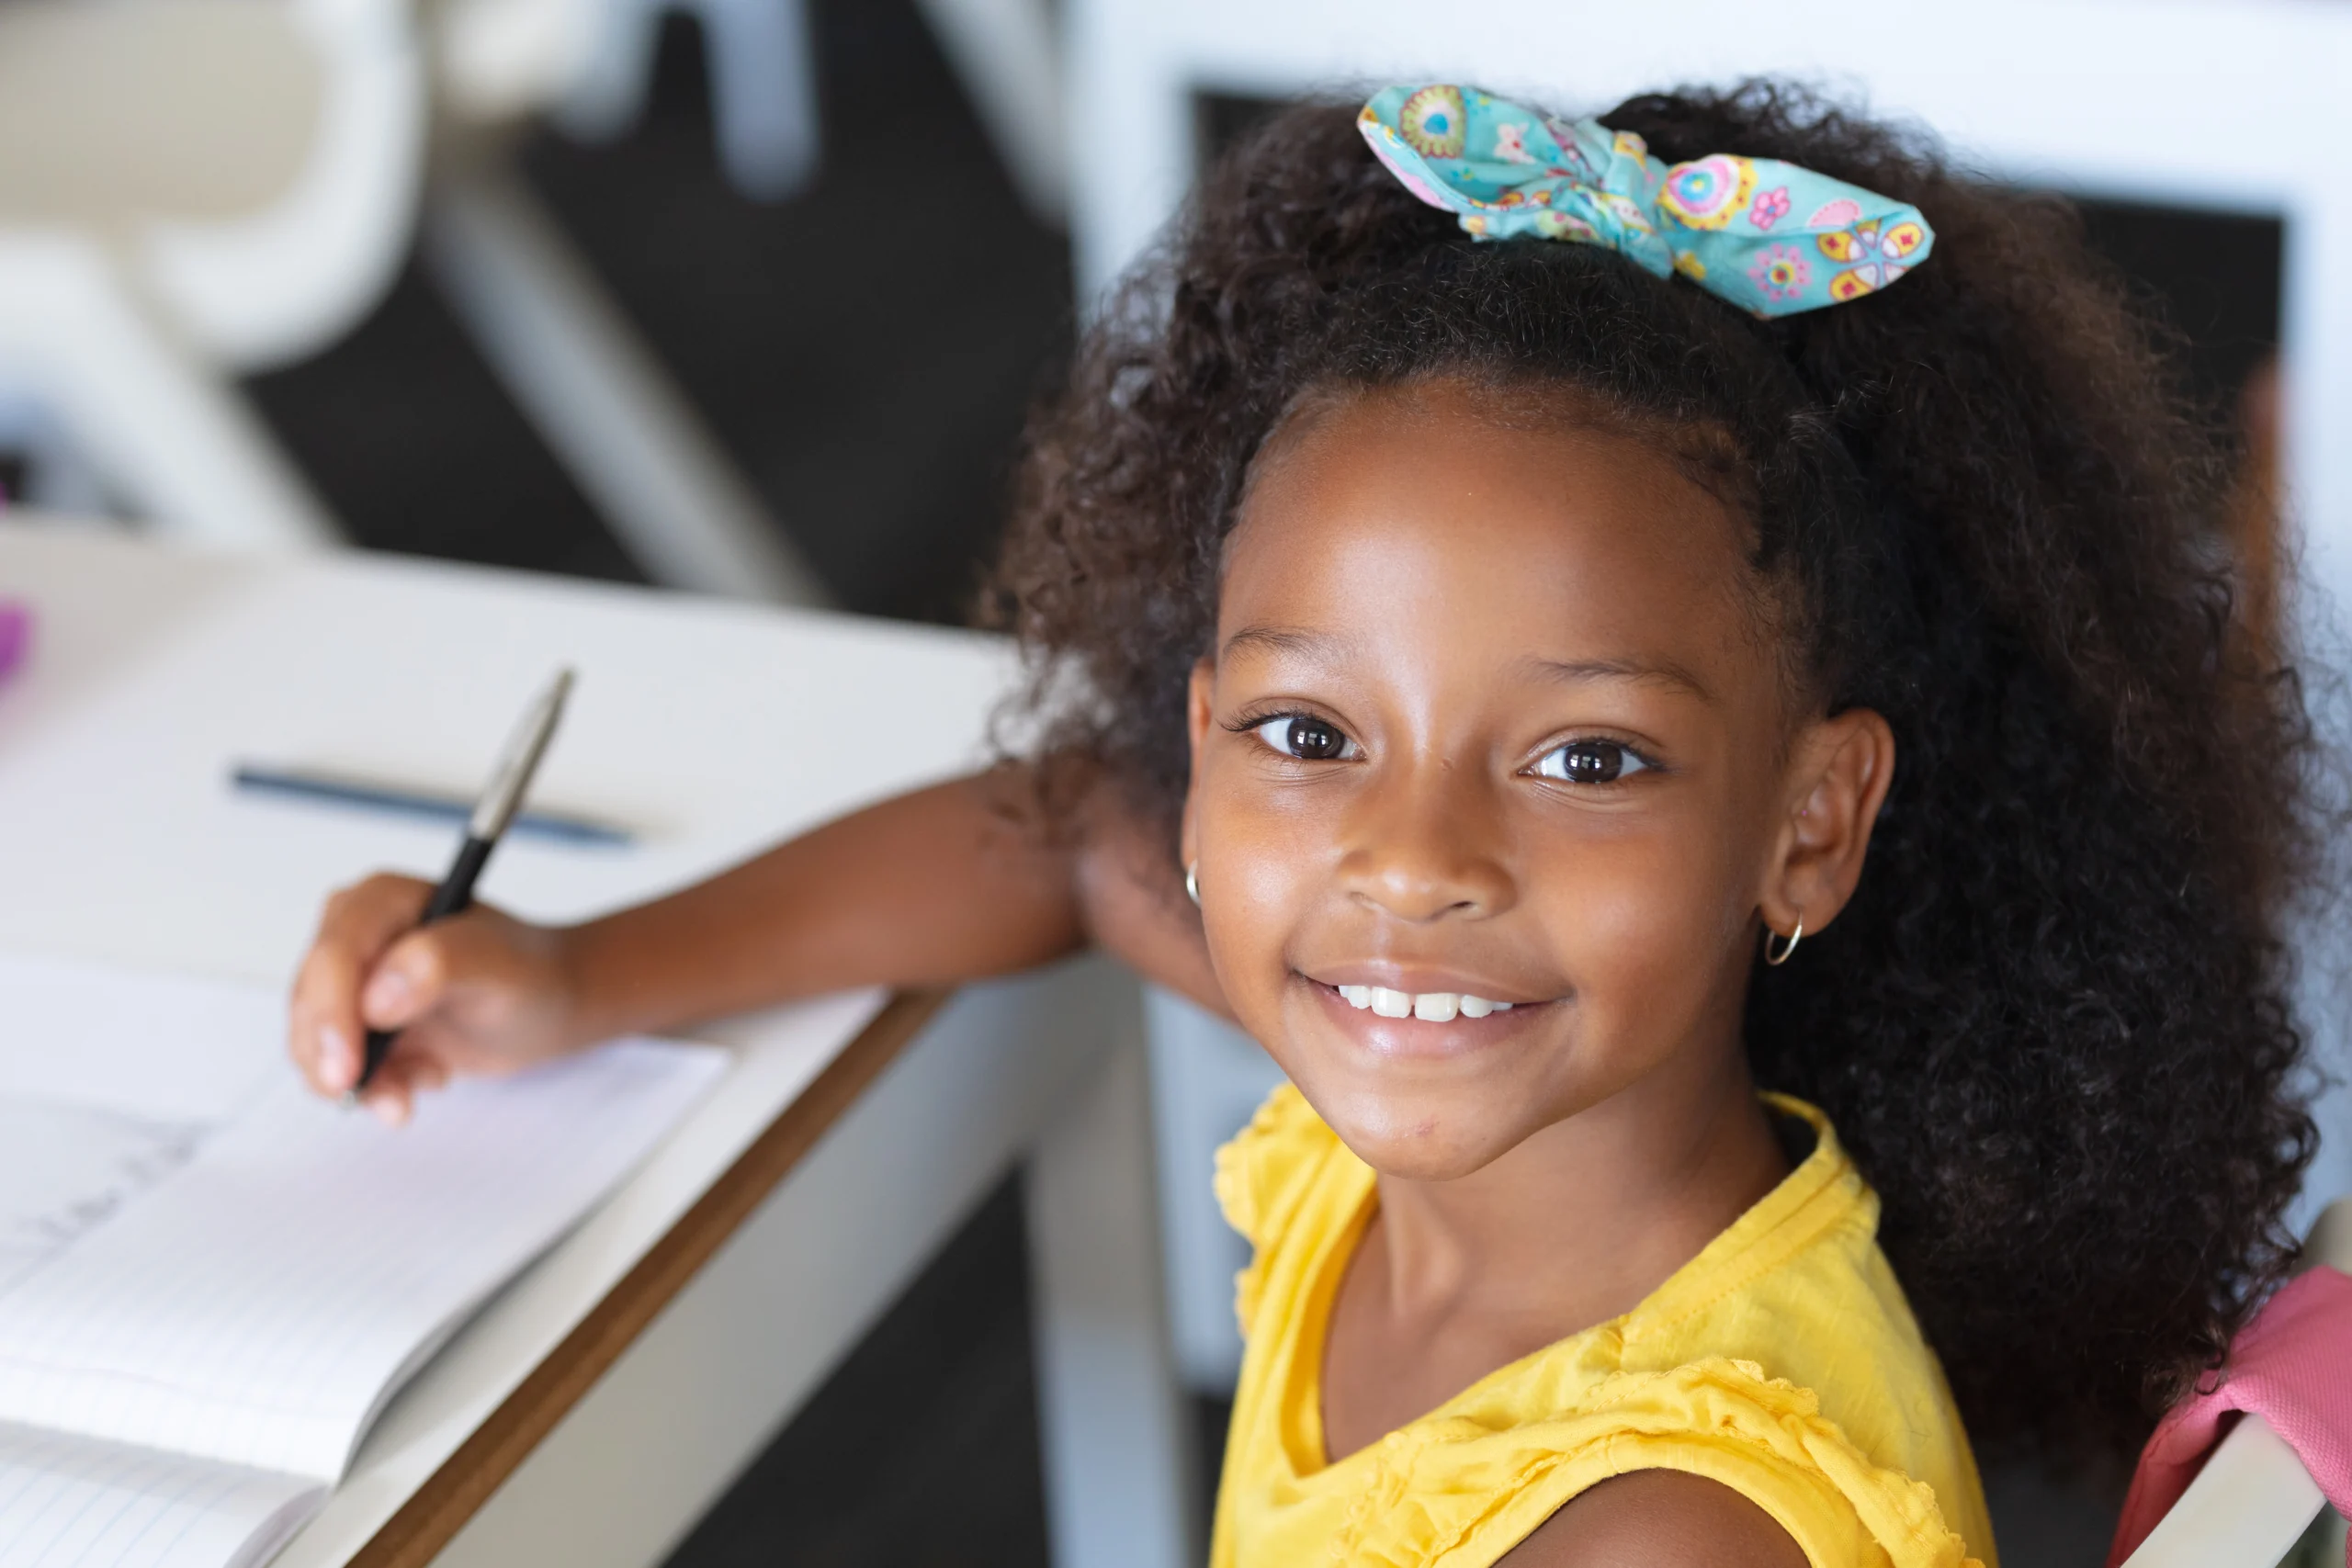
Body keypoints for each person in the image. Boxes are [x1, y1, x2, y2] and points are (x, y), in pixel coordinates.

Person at [285, 82, 2324, 1568]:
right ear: (1206, 738)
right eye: (1303, 730)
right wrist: (574, 968)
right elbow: (1079, 833)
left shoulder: (1669, 1527)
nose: (1411, 857)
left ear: (1811, 821)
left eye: (1585, 756)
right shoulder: (1494, 1106)